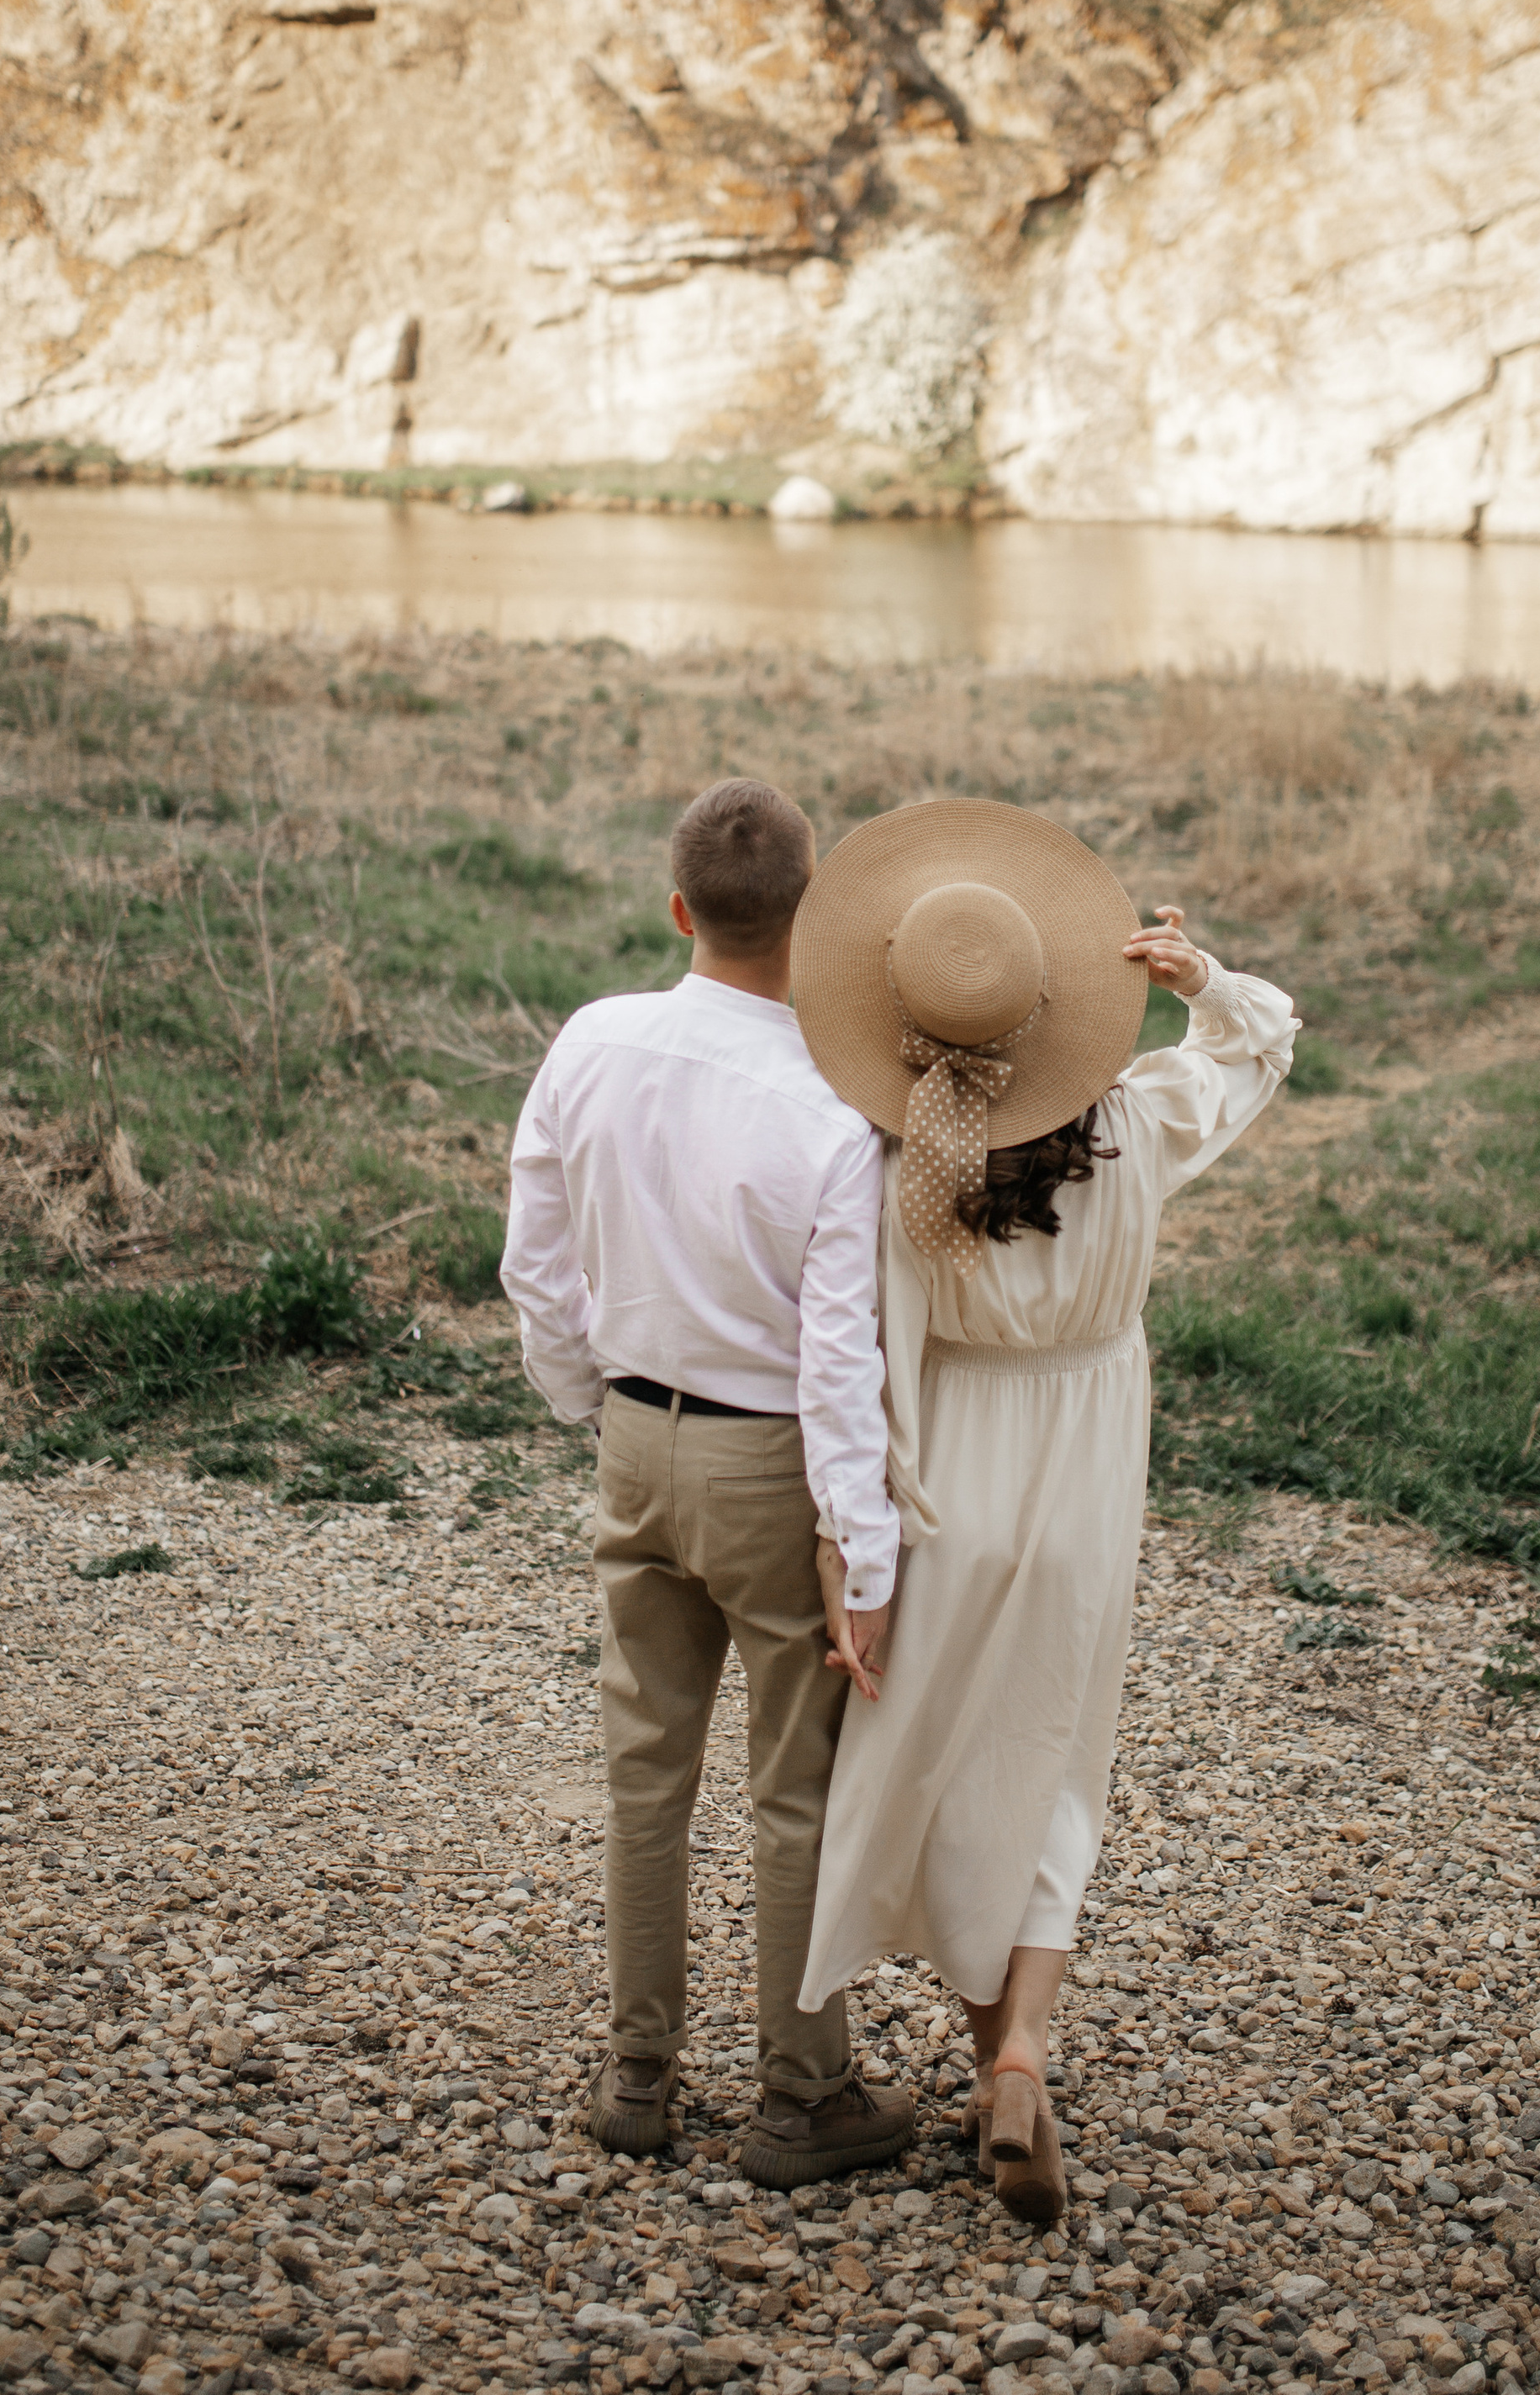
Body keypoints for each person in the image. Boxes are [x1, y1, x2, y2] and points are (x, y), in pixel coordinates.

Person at [787, 797, 1297, 2225]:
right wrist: (1203, 978)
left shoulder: (900, 1165)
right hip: (1087, 1456)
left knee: (955, 1760)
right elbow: (1262, 1046)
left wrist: (857, 1545)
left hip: (955, 1464)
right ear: (1055, 1010)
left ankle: (983, 2056)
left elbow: (865, 1361)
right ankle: (1022, 2053)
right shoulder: (1137, 1123)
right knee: (1057, 1752)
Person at [502, 776, 917, 2188]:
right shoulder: (834, 1111)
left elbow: (535, 1258)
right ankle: (803, 2097)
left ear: (679, 910)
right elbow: (840, 1360)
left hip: (635, 1437)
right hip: (768, 1464)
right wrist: (863, 1554)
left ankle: (638, 2079)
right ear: (813, 919)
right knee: (794, 1787)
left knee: (645, 1773)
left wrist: (591, 1399)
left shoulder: (593, 1040)